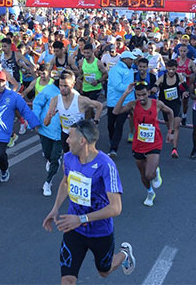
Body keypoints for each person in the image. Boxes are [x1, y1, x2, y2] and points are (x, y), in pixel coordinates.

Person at [42, 120, 135, 284]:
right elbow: (65, 182)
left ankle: (124, 254)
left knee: (104, 271)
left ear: (82, 140)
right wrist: (55, 208)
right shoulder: (69, 158)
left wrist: (81, 219)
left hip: (100, 231)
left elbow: (116, 207)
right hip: (74, 230)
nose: (67, 140)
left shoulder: (106, 166)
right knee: (67, 280)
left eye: (70, 136)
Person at [114, 83, 174, 207]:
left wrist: (170, 131)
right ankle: (150, 192)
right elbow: (116, 111)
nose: (141, 98)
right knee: (143, 175)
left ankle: (156, 172)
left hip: (154, 143)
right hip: (138, 144)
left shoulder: (156, 104)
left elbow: (171, 112)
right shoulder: (133, 105)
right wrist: (125, 93)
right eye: (138, 95)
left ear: (148, 93)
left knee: (149, 174)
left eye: (144, 95)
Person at [45, 70, 103, 154]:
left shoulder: (80, 100)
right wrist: (49, 116)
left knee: (80, 160)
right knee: (67, 159)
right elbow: (46, 123)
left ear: (72, 85)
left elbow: (99, 106)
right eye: (60, 86)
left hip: (80, 136)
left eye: (65, 86)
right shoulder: (55, 100)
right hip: (65, 134)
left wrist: (95, 122)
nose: (62, 89)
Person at [33, 75, 62, 197]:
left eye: (68, 84)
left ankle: (48, 182)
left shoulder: (74, 94)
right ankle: (50, 160)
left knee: (55, 158)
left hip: (62, 133)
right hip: (46, 129)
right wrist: (35, 121)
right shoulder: (49, 90)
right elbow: (37, 103)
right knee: (48, 154)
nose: (64, 88)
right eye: (62, 84)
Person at [156, 60, 189, 158]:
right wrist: (154, 89)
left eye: (173, 69)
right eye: (169, 69)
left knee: (176, 126)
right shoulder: (163, 78)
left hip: (176, 103)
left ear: (176, 69)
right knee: (170, 126)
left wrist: (185, 92)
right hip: (165, 104)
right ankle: (170, 132)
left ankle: (174, 149)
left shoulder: (179, 76)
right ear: (166, 68)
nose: (171, 71)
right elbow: (156, 85)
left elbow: (186, 87)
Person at [106, 52, 135, 157]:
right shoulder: (115, 70)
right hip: (113, 102)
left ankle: (113, 148)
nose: (132, 61)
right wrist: (132, 87)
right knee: (110, 125)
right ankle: (112, 139)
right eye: (131, 59)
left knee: (119, 125)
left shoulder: (130, 70)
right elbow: (118, 86)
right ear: (125, 59)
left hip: (125, 103)